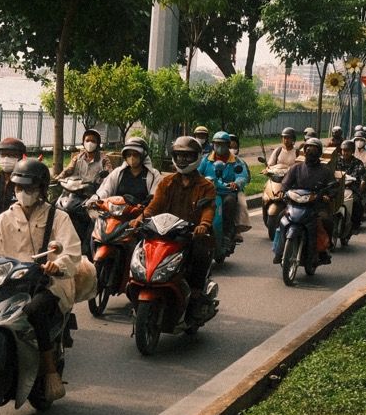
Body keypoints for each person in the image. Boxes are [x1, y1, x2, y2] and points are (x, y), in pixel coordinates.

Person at [0, 157, 81, 402]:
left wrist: (57, 264)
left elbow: (72, 252)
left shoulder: (58, 217)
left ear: (42, 189)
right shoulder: (4, 219)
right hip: (9, 281)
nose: (23, 192)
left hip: (49, 283)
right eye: (19, 187)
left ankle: (50, 370)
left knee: (35, 310)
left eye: (29, 188)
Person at [138, 135, 216, 310]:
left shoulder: (206, 186)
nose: (182, 159)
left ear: (197, 157)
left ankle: (196, 293)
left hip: (192, 234)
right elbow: (154, 205)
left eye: (187, 156)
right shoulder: (166, 182)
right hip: (165, 232)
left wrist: (203, 225)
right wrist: (140, 219)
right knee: (142, 247)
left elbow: (208, 209)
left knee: (200, 251)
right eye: (179, 155)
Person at [275, 137, 337, 265]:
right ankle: (278, 251)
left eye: (314, 149)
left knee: (326, 220)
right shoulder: (296, 168)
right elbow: (286, 183)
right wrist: (282, 191)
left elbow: (333, 187)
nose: (310, 151)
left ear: (319, 152)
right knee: (280, 216)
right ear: (304, 151)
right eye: (308, 149)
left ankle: (324, 250)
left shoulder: (325, 170)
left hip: (316, 205)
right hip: (295, 204)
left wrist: (328, 196)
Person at [200, 131, 251, 242]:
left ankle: (228, 232)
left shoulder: (236, 161)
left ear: (228, 145)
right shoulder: (206, 159)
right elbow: (198, 173)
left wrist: (236, 183)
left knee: (230, 202)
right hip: (208, 191)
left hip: (227, 192)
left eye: (222, 144)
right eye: (217, 144)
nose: (219, 147)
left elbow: (242, 176)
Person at [91, 136, 160, 205]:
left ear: (143, 156)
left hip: (142, 211)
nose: (132, 158)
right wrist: (95, 200)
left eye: (135, 155)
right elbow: (105, 190)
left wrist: (141, 204)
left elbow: (155, 198)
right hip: (116, 210)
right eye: (129, 155)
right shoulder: (118, 172)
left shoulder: (153, 175)